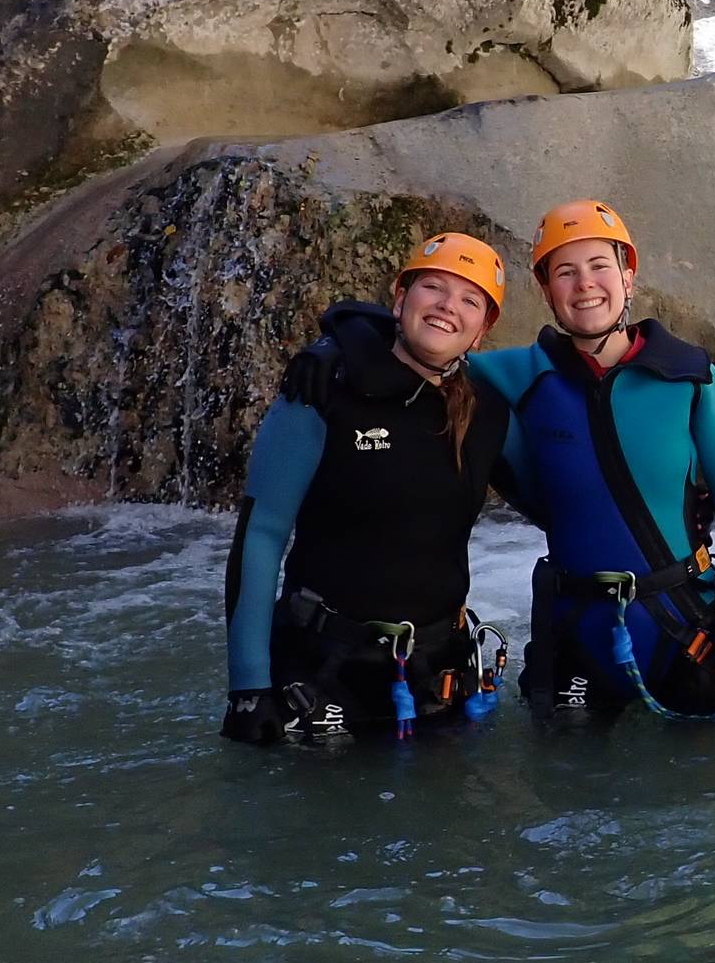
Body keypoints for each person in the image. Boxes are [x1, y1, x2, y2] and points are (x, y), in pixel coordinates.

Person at [466, 201, 715, 722]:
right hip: (576, 632)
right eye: (565, 272)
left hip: (685, 626)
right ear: (546, 290)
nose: (584, 284)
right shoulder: (518, 375)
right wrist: (341, 342)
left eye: (599, 266)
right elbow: (425, 352)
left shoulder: (688, 376)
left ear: (628, 277)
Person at [220, 233, 519, 745]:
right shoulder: (321, 391)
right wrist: (248, 687)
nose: (448, 306)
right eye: (433, 287)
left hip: (435, 675)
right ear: (400, 299)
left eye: (470, 300)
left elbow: (561, 502)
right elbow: (261, 534)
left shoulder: (488, 411)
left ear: (482, 330)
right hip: (321, 673)